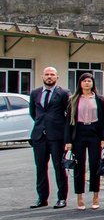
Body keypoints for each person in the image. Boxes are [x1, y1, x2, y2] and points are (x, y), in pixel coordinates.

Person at [64, 73, 104, 211]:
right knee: (79, 166)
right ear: (80, 83)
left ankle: (95, 196)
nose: (87, 83)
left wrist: (103, 138)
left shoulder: (99, 99)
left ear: (93, 83)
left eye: (89, 81)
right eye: (84, 81)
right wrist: (68, 140)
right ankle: (80, 197)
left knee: (95, 165)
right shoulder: (73, 99)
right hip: (79, 133)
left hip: (94, 132)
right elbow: (68, 122)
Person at [29, 67, 70, 209]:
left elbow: (68, 114)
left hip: (57, 136)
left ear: (57, 77)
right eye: (46, 74)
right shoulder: (35, 93)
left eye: (52, 74)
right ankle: (42, 198)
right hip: (39, 136)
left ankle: (62, 198)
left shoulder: (63, 93)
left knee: (59, 167)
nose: (49, 77)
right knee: (40, 167)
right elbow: (33, 113)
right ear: (42, 76)